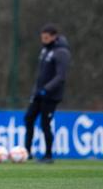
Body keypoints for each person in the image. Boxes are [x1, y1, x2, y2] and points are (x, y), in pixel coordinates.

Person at [24, 24, 71, 163]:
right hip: (38, 93)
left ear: (53, 36)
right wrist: (36, 90)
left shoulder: (62, 52)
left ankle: (48, 155)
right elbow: (41, 75)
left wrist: (46, 89)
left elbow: (61, 76)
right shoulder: (45, 50)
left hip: (50, 95)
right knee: (29, 118)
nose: (43, 40)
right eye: (42, 37)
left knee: (45, 124)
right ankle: (27, 152)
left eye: (46, 37)